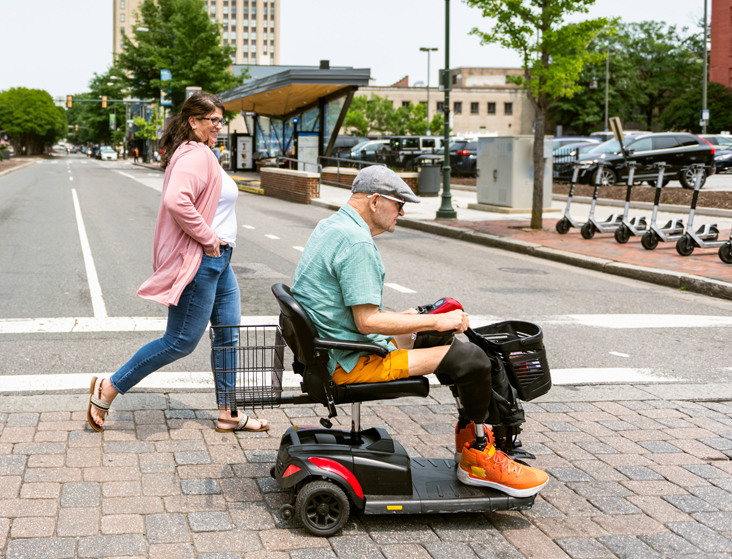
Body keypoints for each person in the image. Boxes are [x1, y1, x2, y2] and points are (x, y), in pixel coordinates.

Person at [290, 165, 549, 498]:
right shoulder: (357, 244)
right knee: (472, 358)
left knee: (440, 341)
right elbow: (366, 322)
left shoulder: (331, 226)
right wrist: (435, 321)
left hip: (335, 351)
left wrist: (411, 318)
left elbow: (350, 313)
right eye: (399, 204)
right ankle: (482, 458)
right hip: (353, 362)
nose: (401, 212)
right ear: (374, 202)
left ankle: (470, 447)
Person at [87, 92, 268, 434]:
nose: (218, 126)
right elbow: (176, 200)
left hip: (220, 262)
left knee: (228, 335)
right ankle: (109, 387)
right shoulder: (194, 154)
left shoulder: (204, 153)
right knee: (180, 341)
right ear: (193, 122)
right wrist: (209, 238)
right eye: (212, 120)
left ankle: (228, 412)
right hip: (203, 259)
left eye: (220, 120)